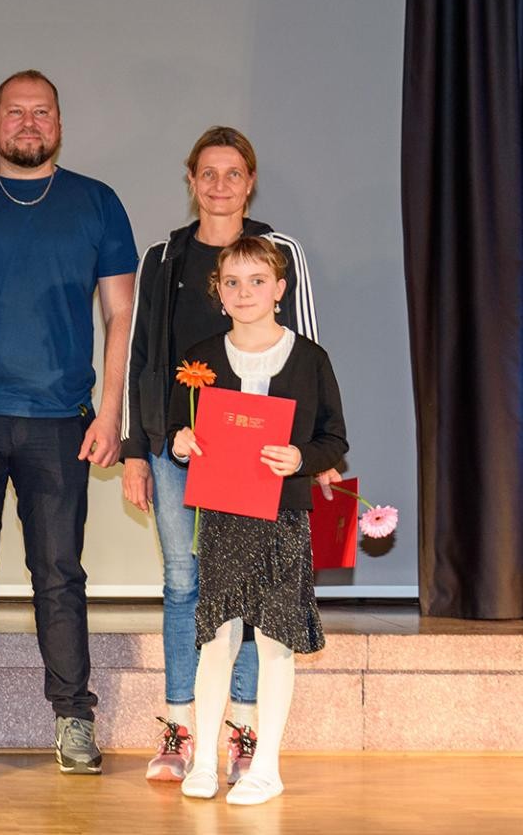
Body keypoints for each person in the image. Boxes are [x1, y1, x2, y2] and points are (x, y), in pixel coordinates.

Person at [0, 70, 138, 775]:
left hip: (60, 421)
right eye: (15, 112)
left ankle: (74, 715)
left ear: (59, 122)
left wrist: (111, 413)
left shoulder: (97, 202)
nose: (28, 123)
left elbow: (119, 318)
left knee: (59, 572)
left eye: (41, 112)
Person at [120, 126, 323, 783]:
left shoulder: (277, 250)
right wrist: (136, 447)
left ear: (250, 181)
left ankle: (240, 731)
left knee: (249, 590)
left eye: (232, 173)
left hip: (255, 454)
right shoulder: (163, 259)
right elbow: (144, 359)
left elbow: (306, 352)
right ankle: (183, 729)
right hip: (179, 451)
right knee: (185, 582)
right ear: (190, 180)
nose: (219, 185)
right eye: (207, 173)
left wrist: (303, 450)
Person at [168, 236, 347, 805]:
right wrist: (182, 441)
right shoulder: (200, 359)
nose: (245, 293)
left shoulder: (311, 359)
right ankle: (201, 765)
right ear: (218, 293)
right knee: (216, 639)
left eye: (257, 281)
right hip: (223, 517)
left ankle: (266, 766)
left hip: (283, 517)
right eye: (232, 283)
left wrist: (301, 458)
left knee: (274, 641)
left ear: (280, 289)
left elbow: (333, 438)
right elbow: (178, 431)